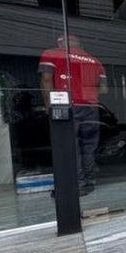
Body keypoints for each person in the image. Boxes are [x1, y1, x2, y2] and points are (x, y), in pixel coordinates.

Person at [39, 34, 107, 196]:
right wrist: (88, 94)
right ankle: (89, 180)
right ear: (79, 44)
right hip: (91, 108)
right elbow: (104, 89)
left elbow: (46, 80)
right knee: (88, 147)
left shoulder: (52, 54)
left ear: (61, 43)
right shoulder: (95, 61)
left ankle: (77, 185)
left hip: (68, 106)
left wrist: (49, 106)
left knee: (70, 147)